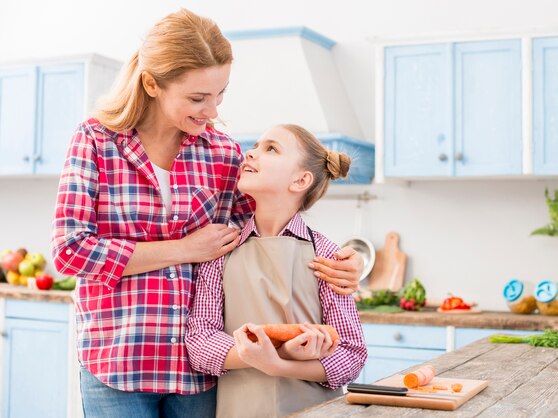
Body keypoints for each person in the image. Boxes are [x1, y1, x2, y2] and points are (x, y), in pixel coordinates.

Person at [50, 9, 363, 418]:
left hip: (199, 372)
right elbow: (70, 251)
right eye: (198, 98)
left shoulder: (221, 151)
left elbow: (269, 229)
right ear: (152, 84)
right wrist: (182, 249)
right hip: (119, 361)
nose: (213, 111)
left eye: (220, 95)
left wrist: (345, 263)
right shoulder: (95, 140)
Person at [185, 124, 368, 418]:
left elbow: (351, 354)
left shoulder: (326, 256)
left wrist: (278, 365)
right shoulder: (221, 253)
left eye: (271, 148)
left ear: (300, 180)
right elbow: (200, 343)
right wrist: (277, 352)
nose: (252, 153)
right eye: (256, 145)